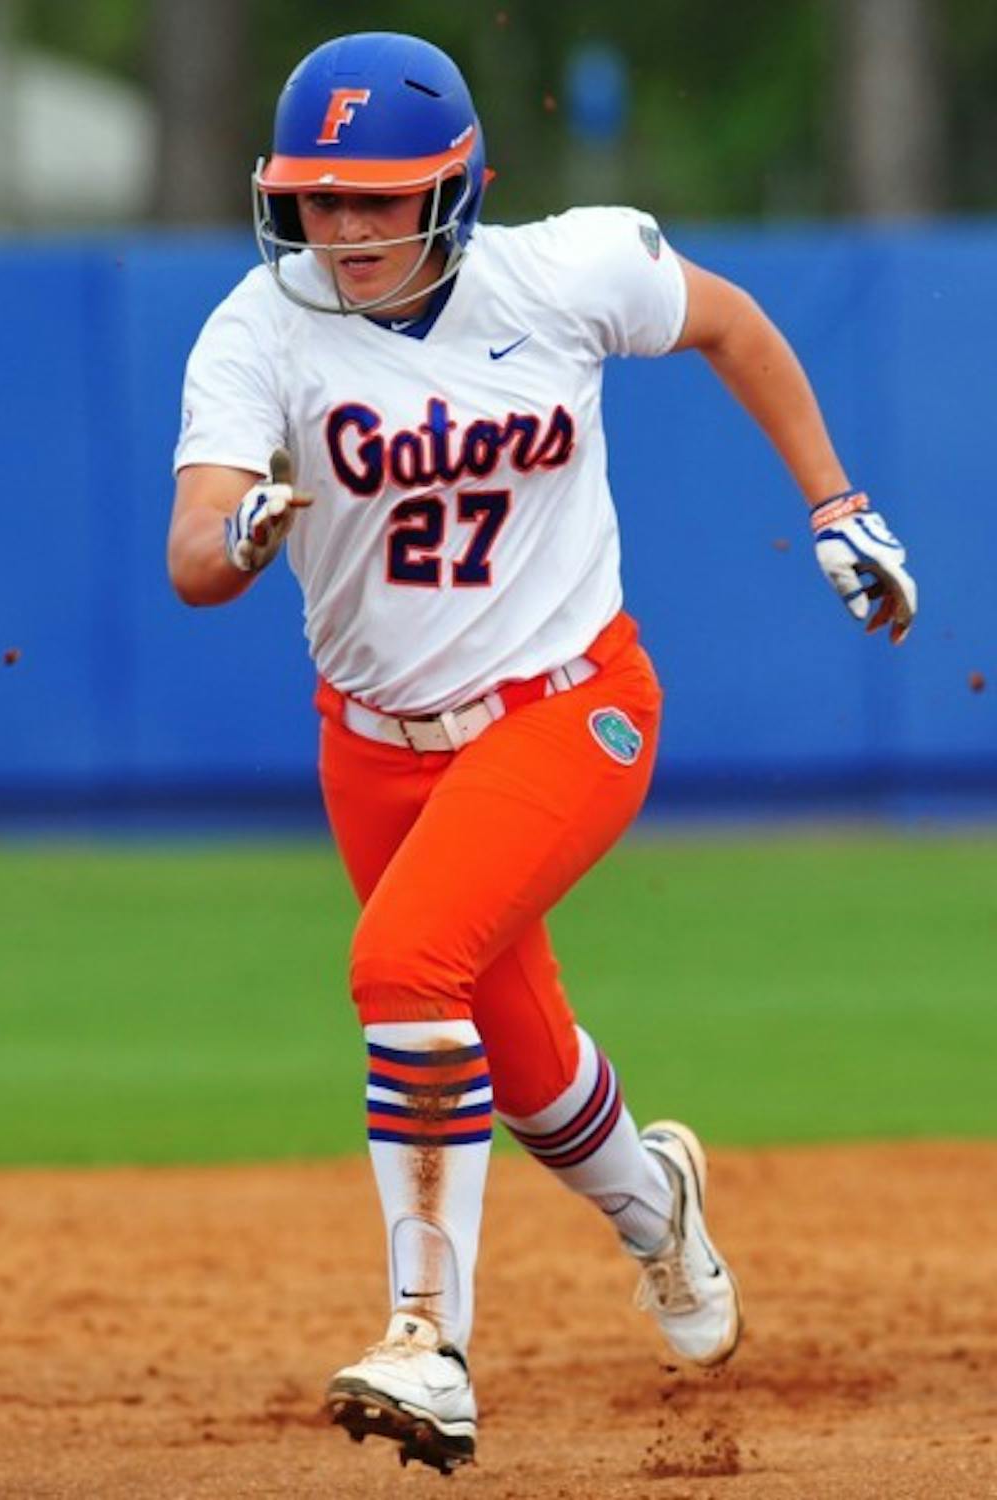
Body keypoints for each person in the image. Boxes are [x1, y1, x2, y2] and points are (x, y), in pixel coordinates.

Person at [167, 31, 917, 1476]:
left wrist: (836, 502)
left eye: (379, 198)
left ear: (458, 186)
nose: (346, 228)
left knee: (402, 972)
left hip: (570, 706)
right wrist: (245, 530)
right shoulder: (257, 328)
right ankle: (659, 1210)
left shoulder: (564, 271)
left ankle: (424, 1342)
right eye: (320, 199)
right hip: (374, 747)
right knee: (516, 1063)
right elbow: (194, 553)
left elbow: (732, 325)